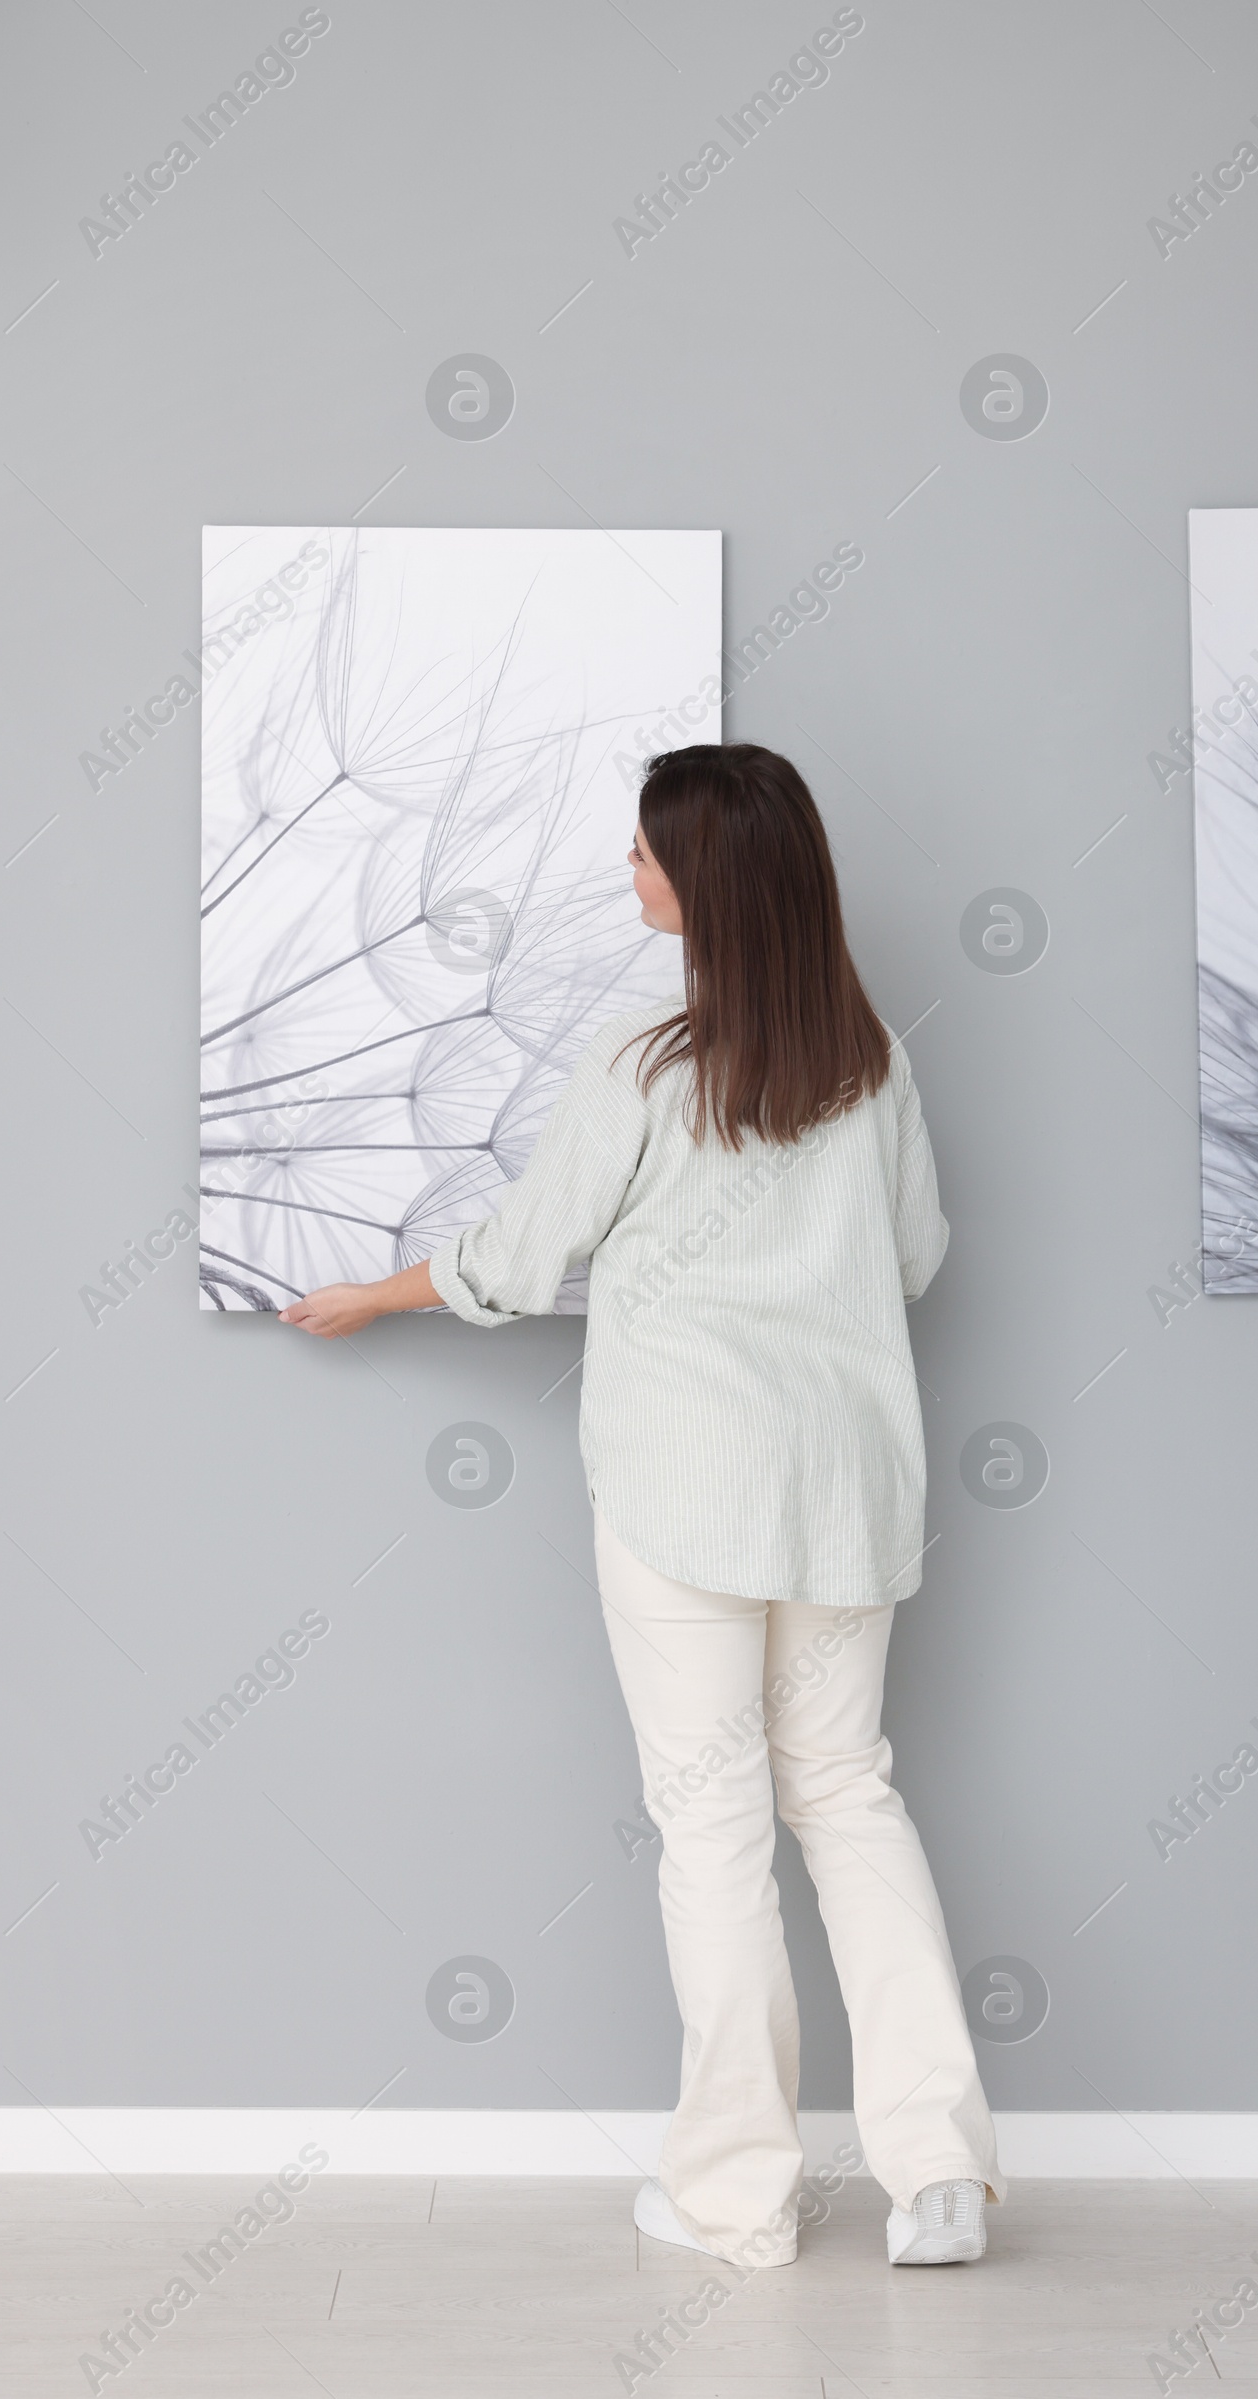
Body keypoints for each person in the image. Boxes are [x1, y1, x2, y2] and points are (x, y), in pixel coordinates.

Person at [279, 742, 1002, 2268]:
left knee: (715, 1827)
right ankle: (937, 2179)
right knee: (850, 1799)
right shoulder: (876, 1065)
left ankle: (737, 2200)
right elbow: (921, 1259)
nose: (629, 873)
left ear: (707, 884)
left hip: (685, 1494)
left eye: (646, 853)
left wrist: (373, 1296)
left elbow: (518, 1260)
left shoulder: (642, 1066)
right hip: (846, 1495)